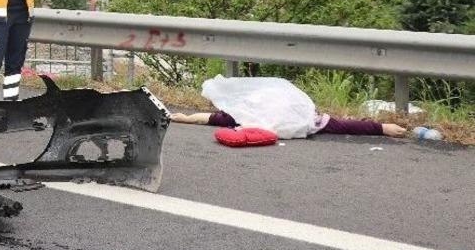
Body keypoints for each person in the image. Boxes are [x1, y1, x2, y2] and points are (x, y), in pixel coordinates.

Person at [169, 111, 407, 137]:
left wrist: (382, 128)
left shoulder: (301, 118)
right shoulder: (242, 115)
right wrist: (182, 118)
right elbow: (208, 118)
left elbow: (341, 125)